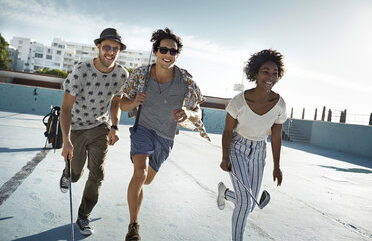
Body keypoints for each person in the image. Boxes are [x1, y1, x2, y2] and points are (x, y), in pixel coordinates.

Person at [120, 27, 209, 241]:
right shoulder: (140, 75)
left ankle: (141, 191)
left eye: (173, 51)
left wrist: (187, 112)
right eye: (164, 50)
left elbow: (198, 114)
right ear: (156, 51)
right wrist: (134, 102)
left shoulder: (185, 80)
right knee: (139, 173)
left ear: (177, 55)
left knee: (147, 180)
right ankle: (133, 226)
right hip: (143, 129)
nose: (168, 55)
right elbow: (122, 104)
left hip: (166, 137)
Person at [59, 28, 129, 236]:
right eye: (106, 47)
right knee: (75, 174)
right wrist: (66, 140)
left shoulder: (122, 74)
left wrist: (115, 127)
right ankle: (66, 173)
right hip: (77, 127)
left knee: (97, 174)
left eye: (115, 48)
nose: (111, 52)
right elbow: (66, 109)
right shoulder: (81, 70)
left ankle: (83, 216)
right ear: (98, 47)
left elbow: (115, 103)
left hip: (100, 127)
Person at [217, 49, 287, 241]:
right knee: (246, 201)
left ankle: (225, 193)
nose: (270, 76)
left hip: (259, 151)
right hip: (237, 148)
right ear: (255, 73)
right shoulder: (238, 101)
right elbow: (227, 131)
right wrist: (225, 157)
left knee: (250, 204)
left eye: (275, 73)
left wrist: (277, 166)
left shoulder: (280, 105)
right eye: (265, 71)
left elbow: (276, 136)